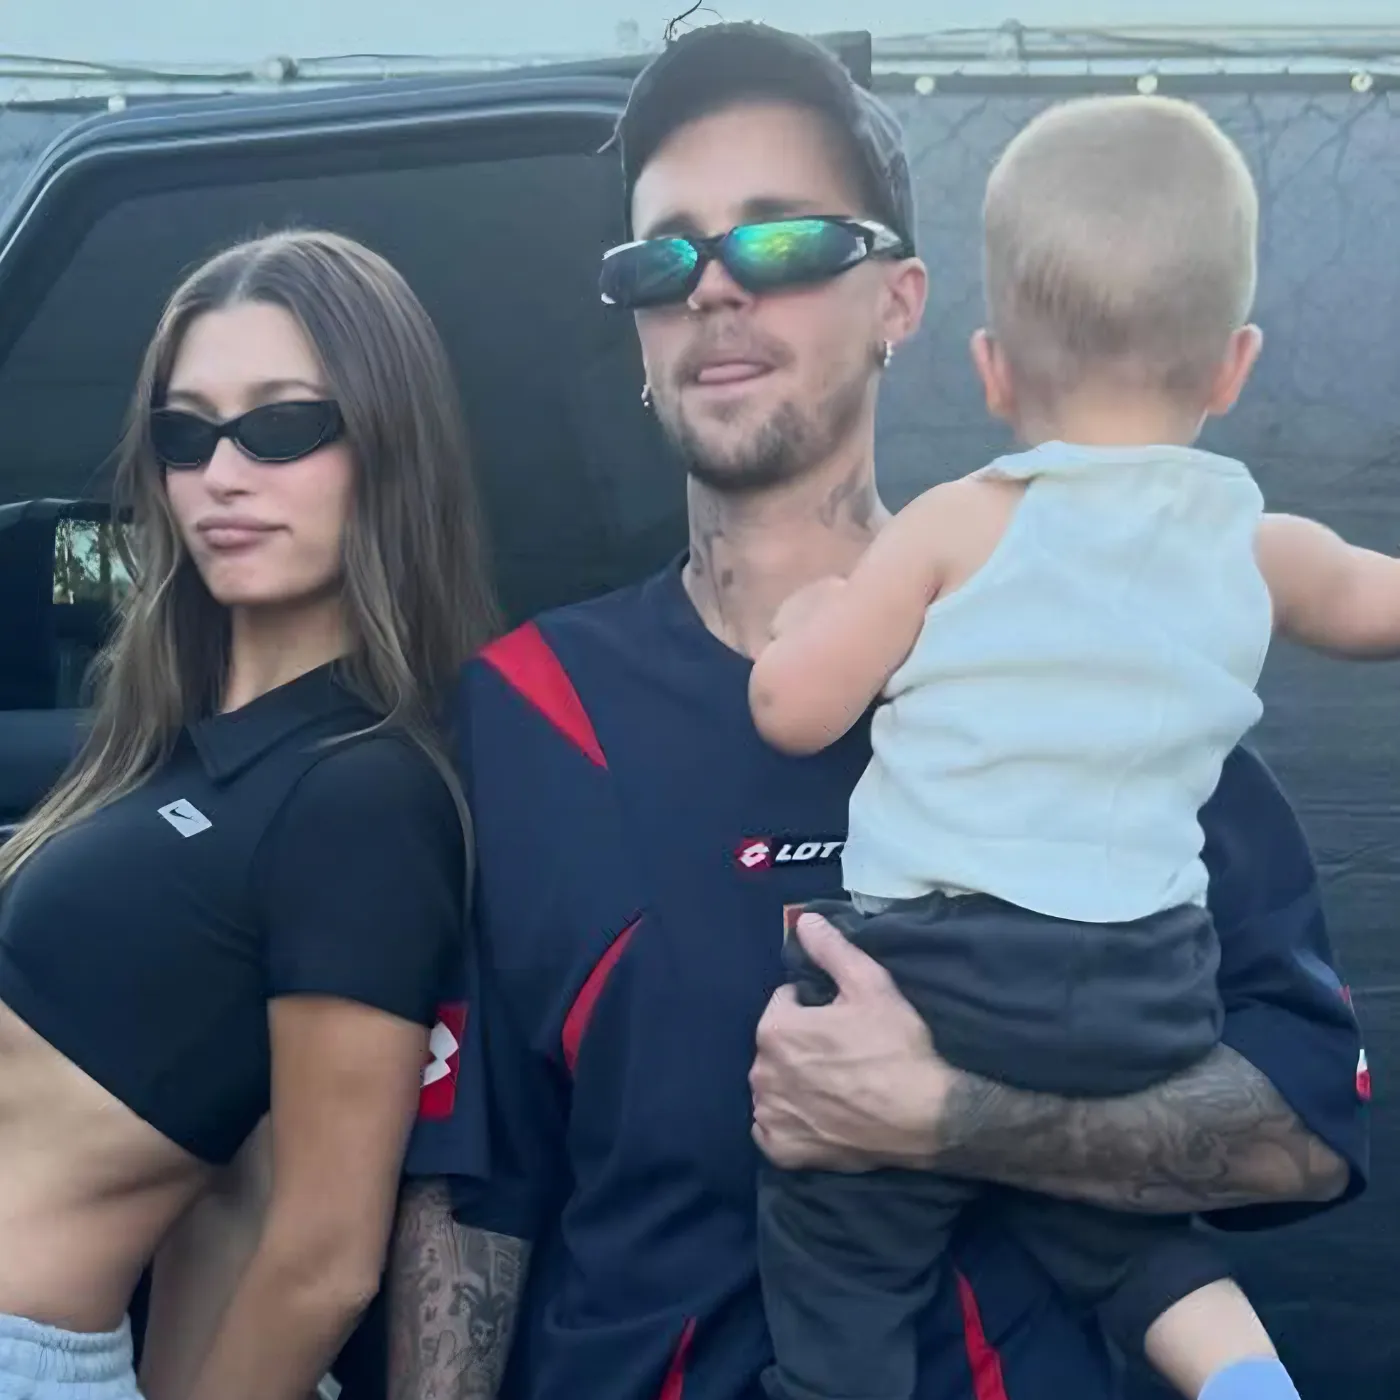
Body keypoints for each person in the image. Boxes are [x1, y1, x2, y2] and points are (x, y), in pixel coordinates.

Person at [389, 23, 1367, 1400]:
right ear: (640, 335)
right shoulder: (528, 710)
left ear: (900, 303)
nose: (715, 285)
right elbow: (475, 1187)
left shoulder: (1104, 652)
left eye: (783, 240)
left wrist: (954, 1118)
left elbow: (1305, 1130)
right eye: (662, 258)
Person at [748, 91, 1400, 1400]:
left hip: (948, 967)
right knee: (1114, 1222)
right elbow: (1373, 606)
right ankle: (1243, 1374)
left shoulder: (954, 524)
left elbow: (793, 711)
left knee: (839, 1236)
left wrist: (812, 617)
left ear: (990, 369)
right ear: (1234, 365)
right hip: (1148, 990)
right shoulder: (1254, 545)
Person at [0, 228, 497, 1400]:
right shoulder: (168, 744)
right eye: (186, 433)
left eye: (280, 426)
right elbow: (228, 1193)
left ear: (384, 443)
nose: (222, 472)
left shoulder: (361, 790)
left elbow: (319, 1252)